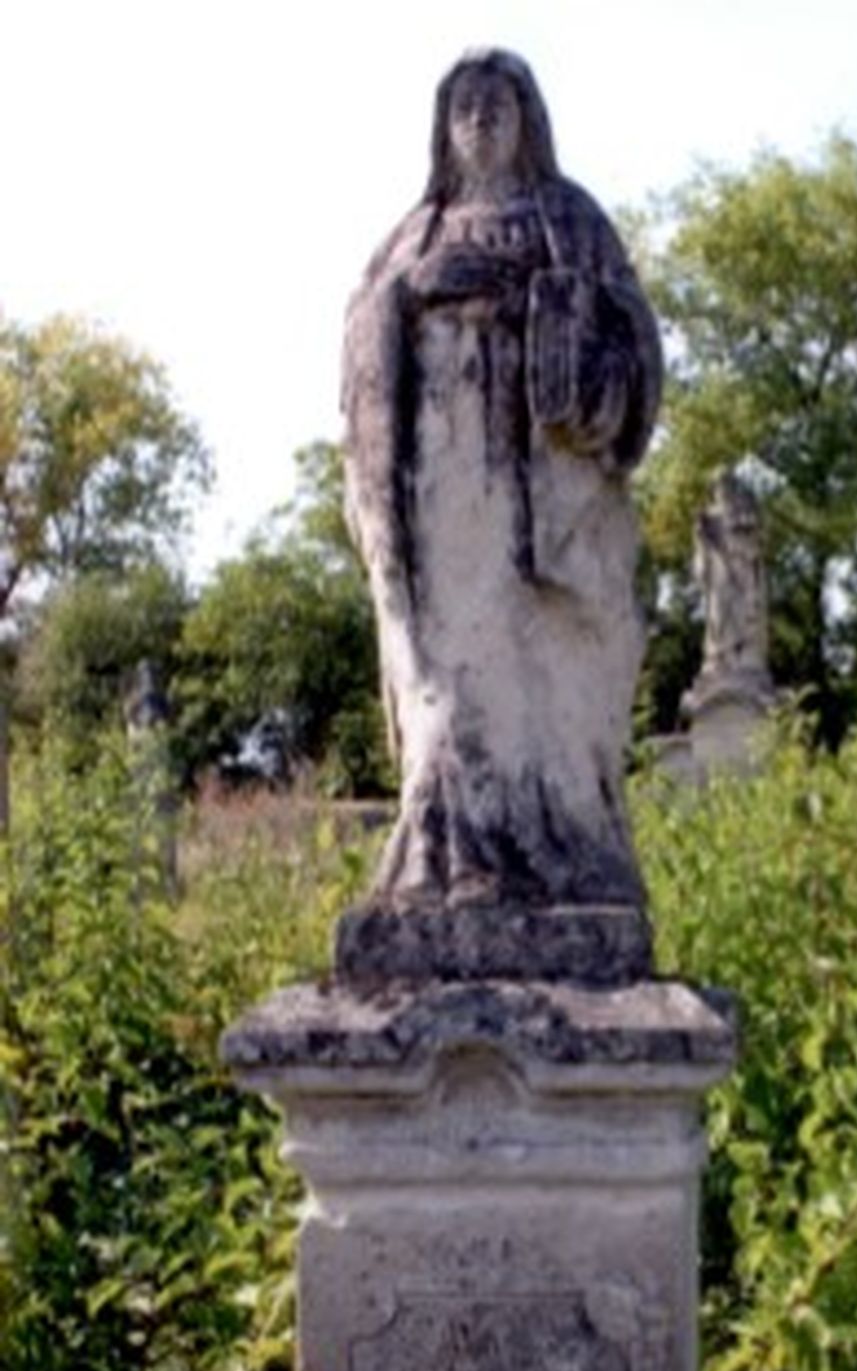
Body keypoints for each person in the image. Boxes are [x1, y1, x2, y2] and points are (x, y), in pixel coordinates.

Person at [342, 49, 662, 910]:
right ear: (443, 129)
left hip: (548, 503)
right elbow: (362, 341)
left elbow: (633, 337)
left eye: (498, 101)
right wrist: (411, 294)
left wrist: (574, 362)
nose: (481, 117)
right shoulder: (415, 236)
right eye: (465, 105)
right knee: (453, 679)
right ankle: (445, 858)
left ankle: (569, 853)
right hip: (445, 496)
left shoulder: (572, 218)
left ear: (528, 119)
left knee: (543, 679)